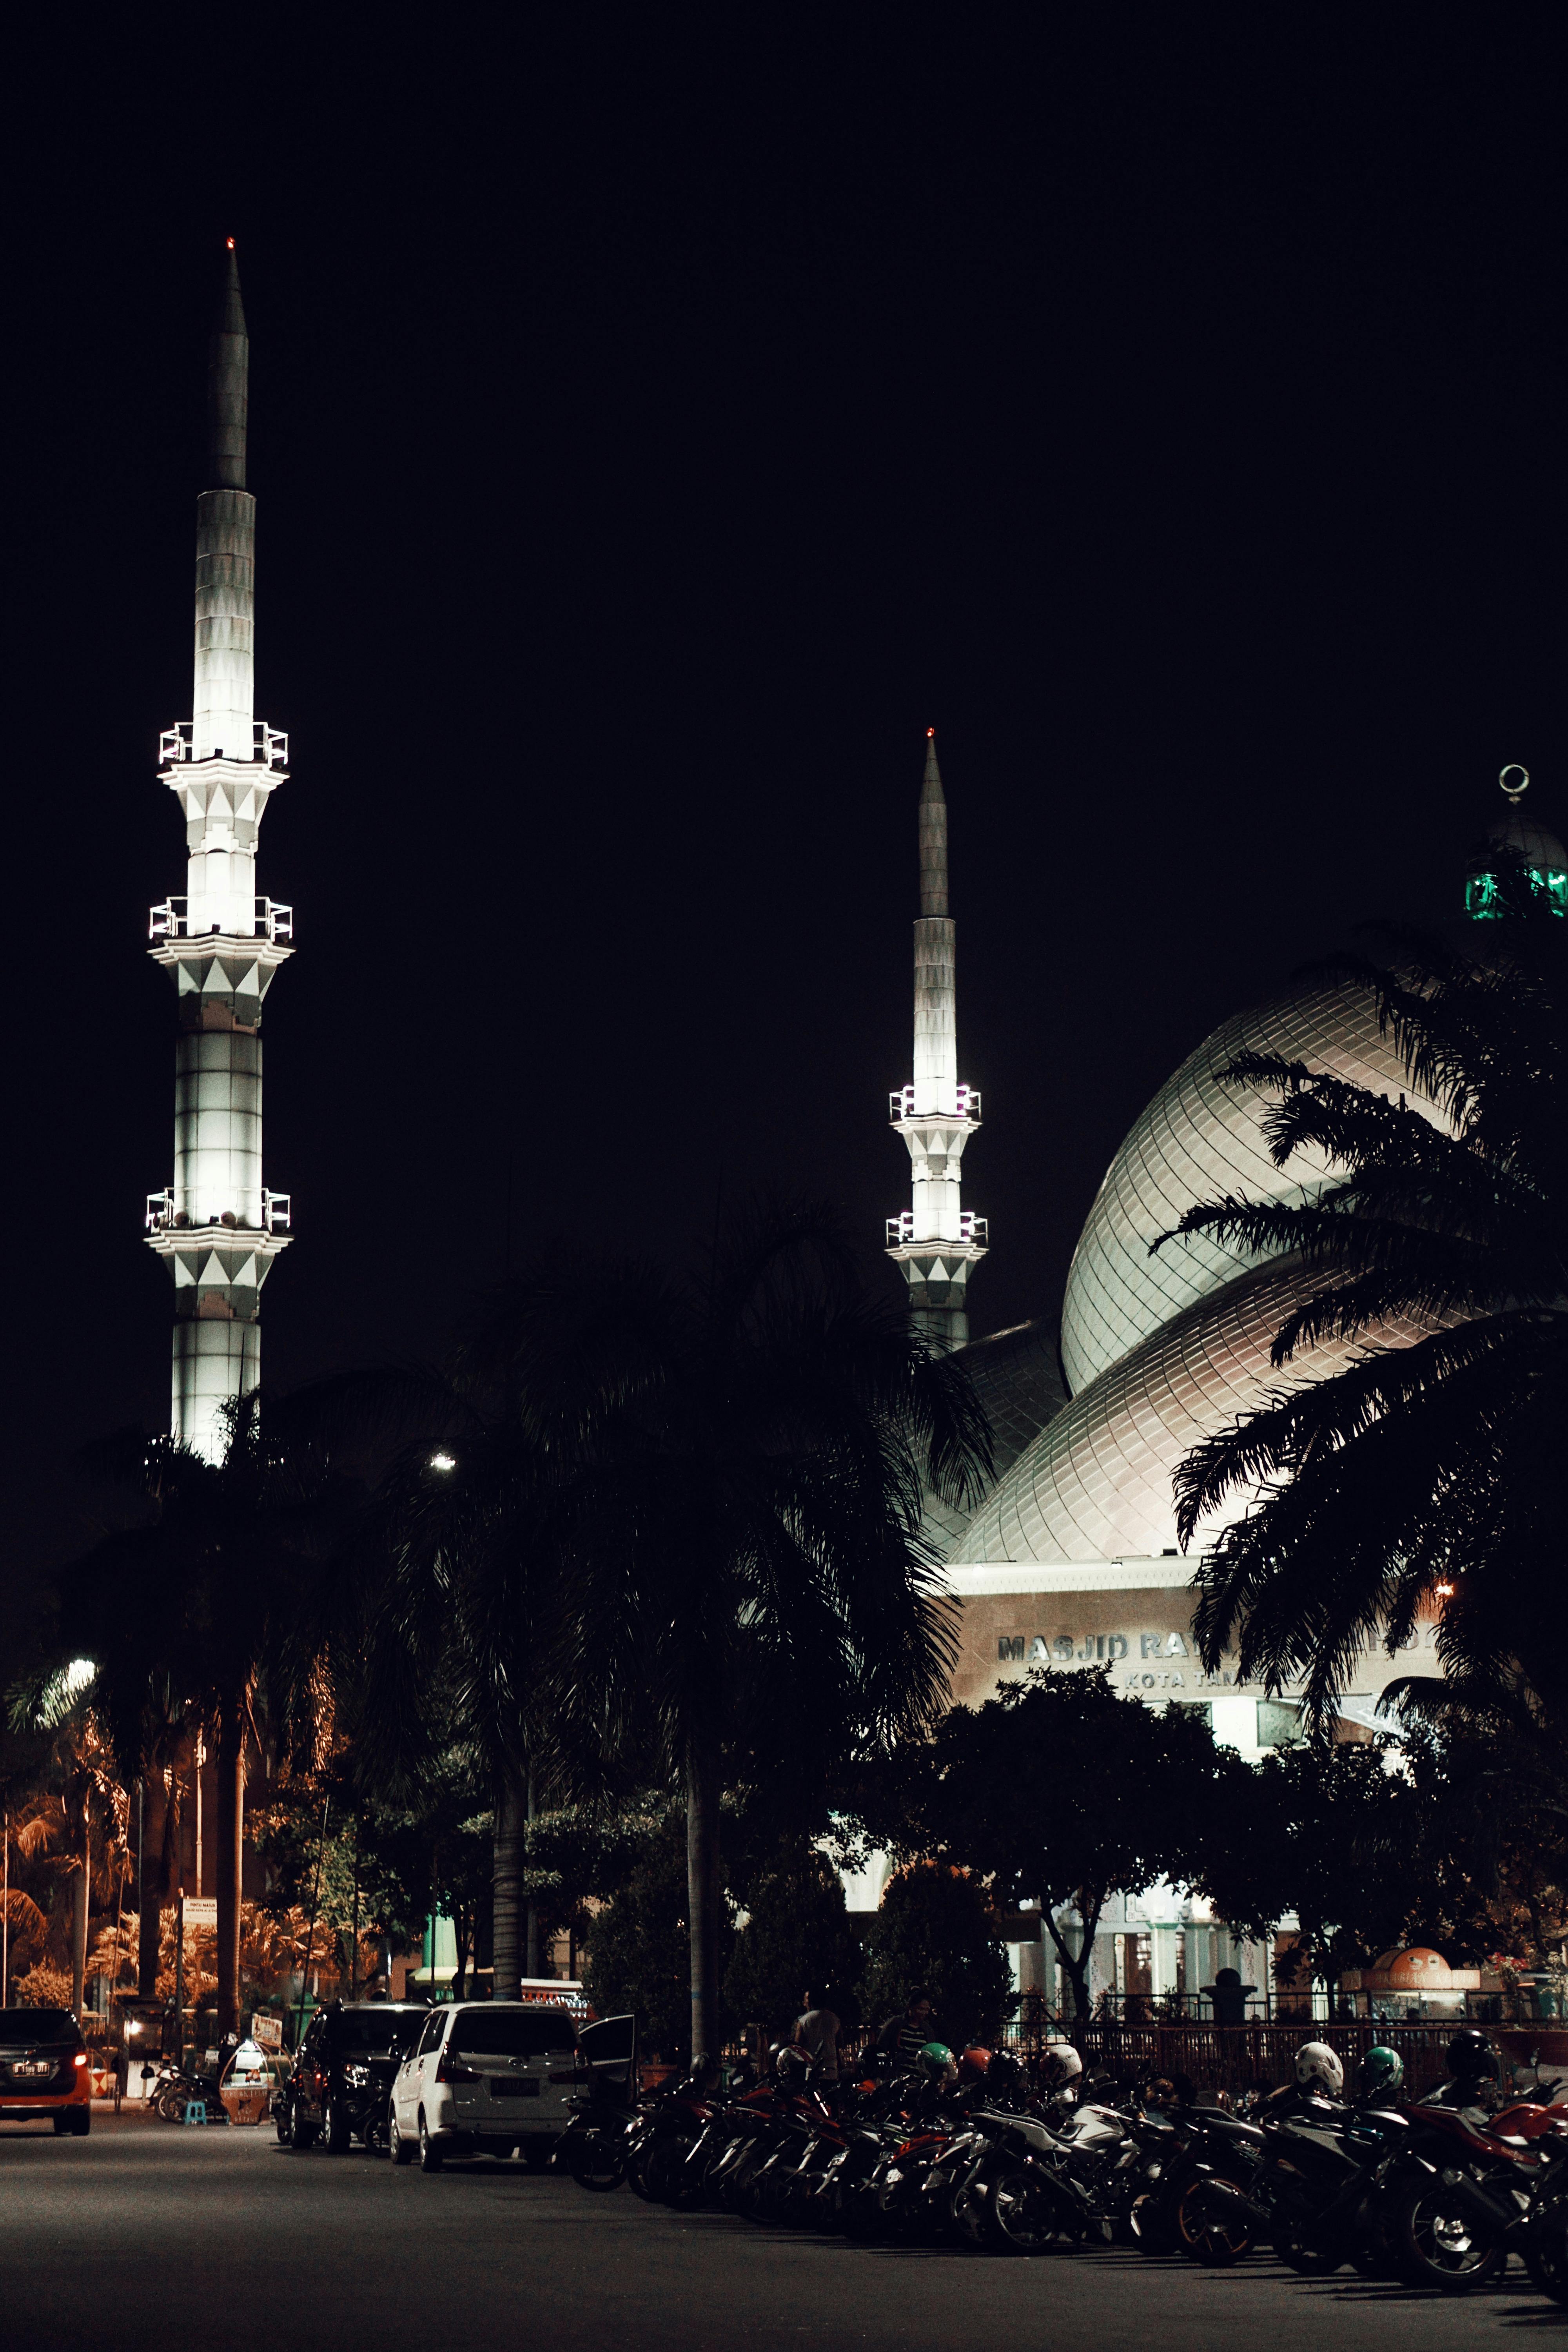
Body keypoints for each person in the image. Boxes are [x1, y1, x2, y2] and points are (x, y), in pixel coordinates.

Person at [876, 1990, 935, 2071]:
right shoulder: (896, 2024)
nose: (924, 2013)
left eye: (927, 2010)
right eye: (921, 2009)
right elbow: (880, 2050)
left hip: (920, 2080)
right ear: (910, 2007)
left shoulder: (927, 2030)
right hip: (899, 2079)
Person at [793, 1990, 842, 2085]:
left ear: (810, 2002)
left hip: (812, 2072)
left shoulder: (804, 2021)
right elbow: (839, 2045)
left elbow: (798, 2048)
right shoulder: (835, 2019)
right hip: (832, 2071)